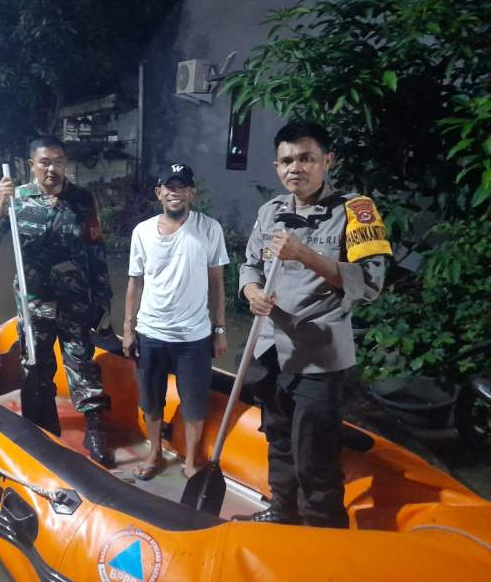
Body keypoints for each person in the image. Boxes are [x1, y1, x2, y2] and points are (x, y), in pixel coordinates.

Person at [238, 122, 392, 528]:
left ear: (327, 161)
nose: (296, 168)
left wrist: (306, 255)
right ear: (276, 166)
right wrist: (250, 290)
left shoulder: (355, 212)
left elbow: (370, 284)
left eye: (306, 158)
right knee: (277, 438)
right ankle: (282, 512)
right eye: (287, 160)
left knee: (315, 452)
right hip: (270, 348)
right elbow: (249, 265)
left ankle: (324, 532)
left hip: (318, 356)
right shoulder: (270, 212)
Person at [0, 136, 115, 466]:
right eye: (44, 162)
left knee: (82, 365)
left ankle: (94, 431)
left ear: (65, 163)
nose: (52, 169)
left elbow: (96, 249)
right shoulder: (17, 199)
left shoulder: (81, 199)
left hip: (75, 301)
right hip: (34, 302)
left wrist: (103, 298)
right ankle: (42, 429)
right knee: (37, 365)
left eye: (58, 161)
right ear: (32, 165)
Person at [122, 163, 229, 481]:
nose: (175, 192)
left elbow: (217, 284)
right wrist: (128, 328)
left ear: (192, 193)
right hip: (150, 332)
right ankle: (154, 452)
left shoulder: (210, 229)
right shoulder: (141, 231)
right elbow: (135, 282)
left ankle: (193, 460)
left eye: (182, 186)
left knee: (195, 403)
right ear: (159, 193)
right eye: (169, 186)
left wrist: (219, 329)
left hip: (194, 337)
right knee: (151, 400)